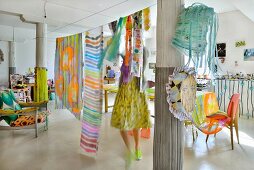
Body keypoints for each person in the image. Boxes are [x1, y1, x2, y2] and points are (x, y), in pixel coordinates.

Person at [111, 47, 151, 161]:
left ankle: (137, 147)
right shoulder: (126, 55)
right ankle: (129, 150)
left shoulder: (141, 55)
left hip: (137, 93)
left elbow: (144, 60)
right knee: (121, 124)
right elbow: (116, 57)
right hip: (124, 93)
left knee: (136, 124)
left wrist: (138, 52)